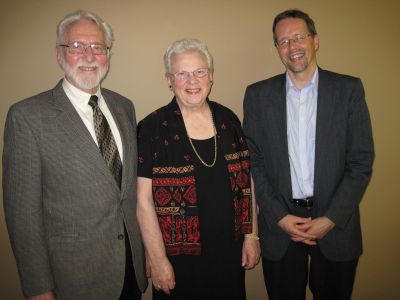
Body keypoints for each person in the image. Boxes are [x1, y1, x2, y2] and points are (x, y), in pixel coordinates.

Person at [3, 10, 147, 300]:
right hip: (73, 278)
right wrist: (38, 287)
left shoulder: (124, 107)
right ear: (59, 55)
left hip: (131, 270)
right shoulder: (28, 116)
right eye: (77, 46)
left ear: (108, 55)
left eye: (98, 47)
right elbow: (23, 215)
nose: (89, 55)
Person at [243, 9, 374, 300]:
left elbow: (361, 161)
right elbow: (254, 162)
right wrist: (279, 216)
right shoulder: (257, 95)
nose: (292, 46)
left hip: (336, 223)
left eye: (299, 37)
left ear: (315, 41)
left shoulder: (349, 90)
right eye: (283, 41)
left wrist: (330, 218)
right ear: (277, 48)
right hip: (281, 226)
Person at [136, 38, 260, 300]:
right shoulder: (152, 128)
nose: (192, 81)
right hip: (178, 260)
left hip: (229, 253)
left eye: (199, 72)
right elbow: (143, 202)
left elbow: (247, 184)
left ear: (211, 76)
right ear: (169, 79)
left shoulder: (229, 120)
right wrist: (158, 260)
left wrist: (252, 237)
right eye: (182, 73)